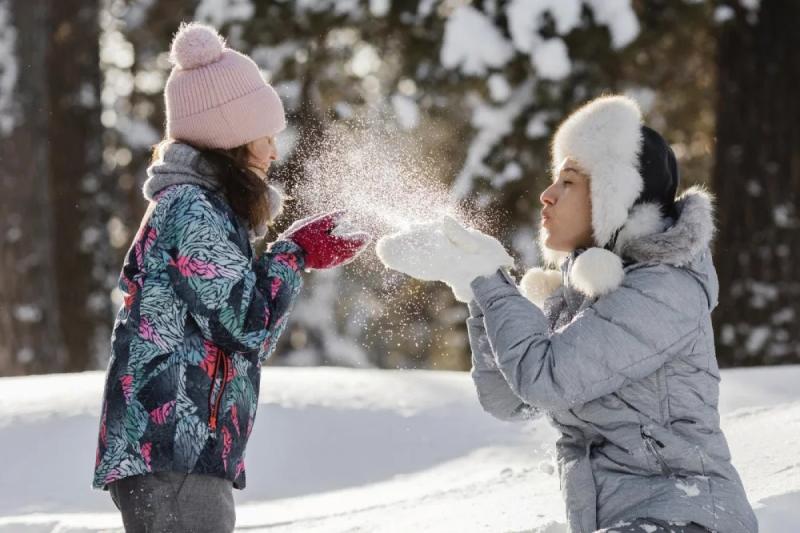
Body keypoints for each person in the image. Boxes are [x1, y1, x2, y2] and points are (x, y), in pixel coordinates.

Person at [377, 95, 757, 532]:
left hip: (687, 517)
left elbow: (544, 380)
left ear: (617, 195)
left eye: (569, 182)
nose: (547, 195)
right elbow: (510, 401)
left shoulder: (665, 290)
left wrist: (489, 281)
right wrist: (476, 290)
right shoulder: (582, 292)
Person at [91, 22, 369, 532]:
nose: (273, 152)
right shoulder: (193, 209)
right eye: (266, 136)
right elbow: (246, 326)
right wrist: (294, 253)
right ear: (234, 137)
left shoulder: (203, 208)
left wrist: (291, 253)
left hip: (177, 452)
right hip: (171, 448)